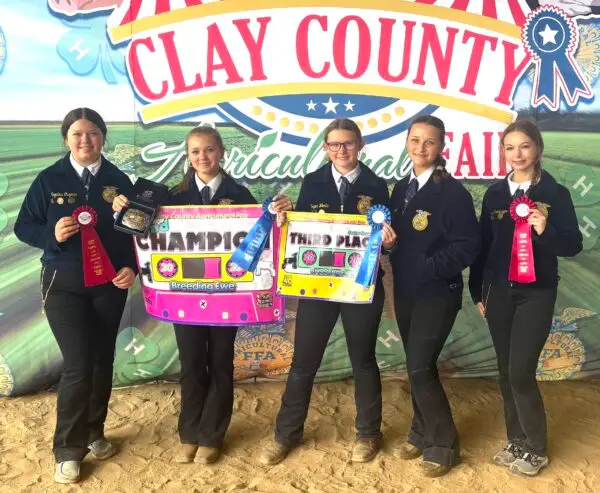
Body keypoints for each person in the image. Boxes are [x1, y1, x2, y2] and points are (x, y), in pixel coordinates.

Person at [113, 126, 293, 465]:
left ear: (221, 152)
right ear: (188, 156)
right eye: (195, 151)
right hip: (184, 299)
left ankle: (212, 436)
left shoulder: (240, 194)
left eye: (209, 150)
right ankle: (189, 433)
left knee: (221, 363)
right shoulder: (171, 196)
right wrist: (122, 207)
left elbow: (262, 242)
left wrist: (279, 217)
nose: (203, 157)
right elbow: (139, 230)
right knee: (192, 363)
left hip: (227, 298)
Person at [259, 118, 394, 466]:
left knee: (363, 361)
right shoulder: (312, 181)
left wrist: (390, 242)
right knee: (303, 362)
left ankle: (368, 433)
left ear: (360, 145)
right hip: (318, 287)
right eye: (334, 144)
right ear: (325, 148)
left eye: (348, 143)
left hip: (361, 286)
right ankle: (285, 435)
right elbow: (302, 230)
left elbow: (385, 240)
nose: (341, 150)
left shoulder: (376, 185)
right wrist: (285, 217)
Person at [14, 108, 137, 484]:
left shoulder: (119, 180)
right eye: (78, 134)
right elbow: (24, 227)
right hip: (63, 285)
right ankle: (68, 449)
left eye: (93, 133)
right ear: (66, 139)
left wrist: (132, 267)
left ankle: (95, 431)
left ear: (103, 137)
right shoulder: (49, 179)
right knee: (79, 363)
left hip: (109, 286)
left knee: (102, 361)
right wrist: (51, 235)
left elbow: (136, 230)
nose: (86, 140)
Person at [469, 119, 582, 476]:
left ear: (538, 149)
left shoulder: (556, 193)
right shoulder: (494, 194)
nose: (517, 154)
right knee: (505, 371)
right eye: (510, 148)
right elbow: (483, 247)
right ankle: (516, 440)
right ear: (503, 152)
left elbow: (573, 245)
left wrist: (545, 229)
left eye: (524, 146)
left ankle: (536, 448)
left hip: (537, 293)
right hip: (497, 292)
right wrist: (477, 291)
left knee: (520, 371)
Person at [383, 115, 480, 477]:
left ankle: (443, 445)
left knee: (420, 368)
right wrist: (390, 246)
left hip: (437, 293)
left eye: (429, 141)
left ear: (441, 147)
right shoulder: (401, 189)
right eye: (415, 140)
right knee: (416, 366)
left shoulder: (452, 193)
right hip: (406, 291)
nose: (421, 148)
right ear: (407, 142)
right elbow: (400, 242)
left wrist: (428, 267)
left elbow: (468, 245)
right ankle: (420, 432)